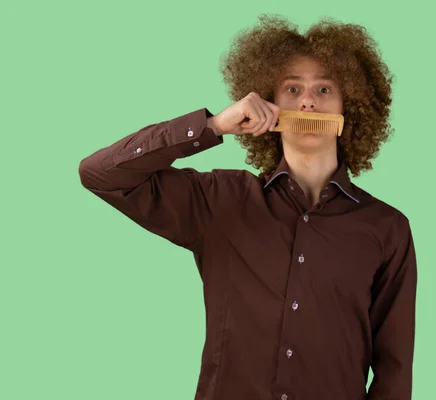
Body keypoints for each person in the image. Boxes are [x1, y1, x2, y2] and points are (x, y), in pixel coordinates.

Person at [79, 14, 418, 400]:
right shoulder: (219, 201)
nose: (307, 100)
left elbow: (394, 371)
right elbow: (100, 173)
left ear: (350, 106)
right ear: (268, 104)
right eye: (292, 89)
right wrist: (213, 126)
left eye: (324, 89)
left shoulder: (387, 228)